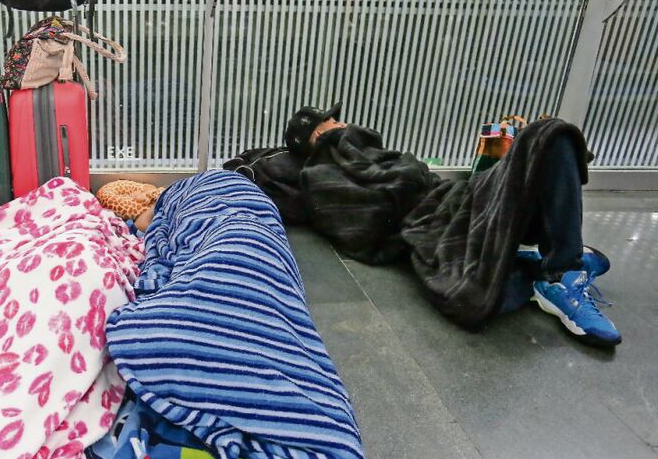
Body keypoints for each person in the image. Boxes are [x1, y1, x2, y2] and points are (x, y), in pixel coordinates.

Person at [225, 103, 622, 348]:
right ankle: (556, 269)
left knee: (552, 135)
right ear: (318, 137)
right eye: (331, 124)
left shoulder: (370, 154)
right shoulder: (323, 175)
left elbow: (413, 178)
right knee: (546, 136)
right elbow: (365, 225)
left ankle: (557, 266)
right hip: (444, 219)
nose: (343, 124)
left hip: (458, 200)